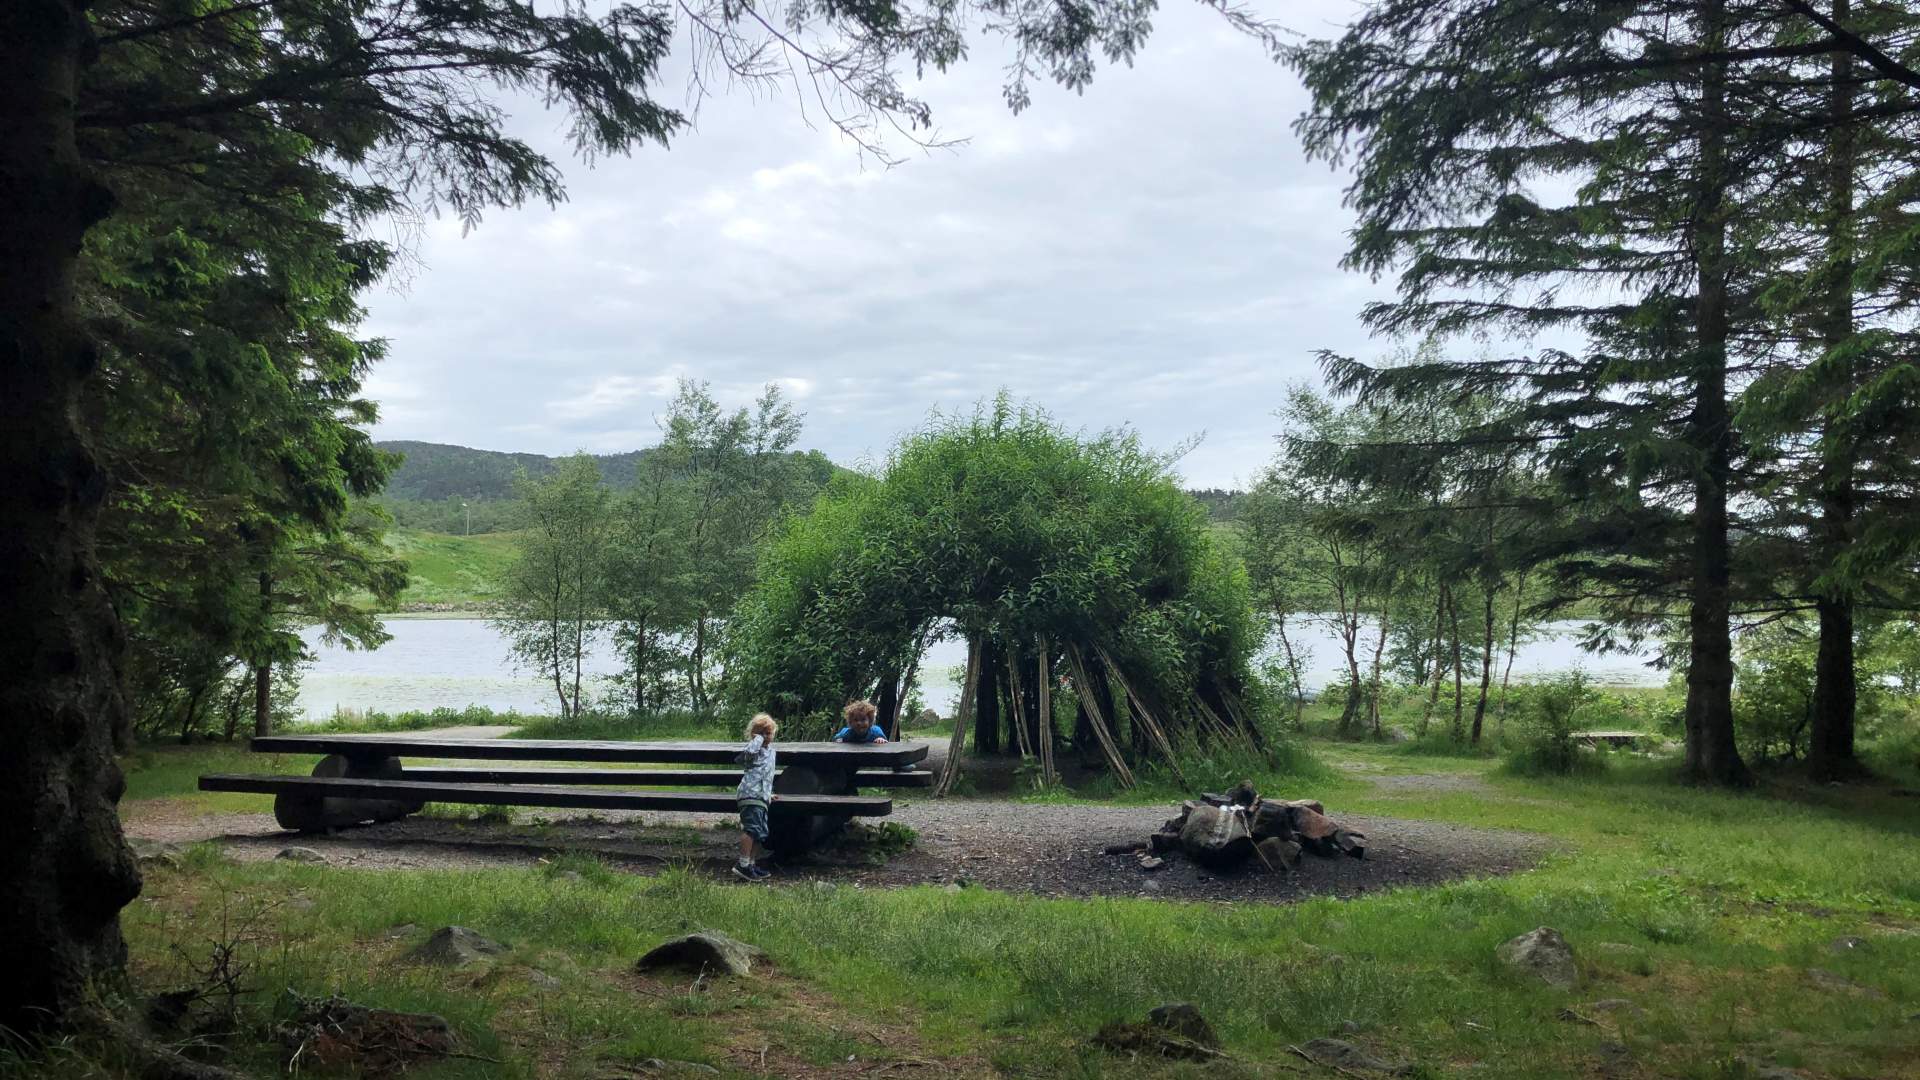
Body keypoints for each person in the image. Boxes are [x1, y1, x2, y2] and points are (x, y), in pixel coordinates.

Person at [733, 713, 777, 881]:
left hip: (762, 796)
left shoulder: (771, 752)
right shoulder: (753, 750)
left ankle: (751, 864)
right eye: (761, 733)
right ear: (754, 735)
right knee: (751, 829)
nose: (766, 736)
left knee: (760, 832)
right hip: (750, 793)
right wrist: (757, 740)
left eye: (769, 733)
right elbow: (748, 754)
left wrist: (768, 793)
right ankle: (742, 864)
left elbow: (766, 774)